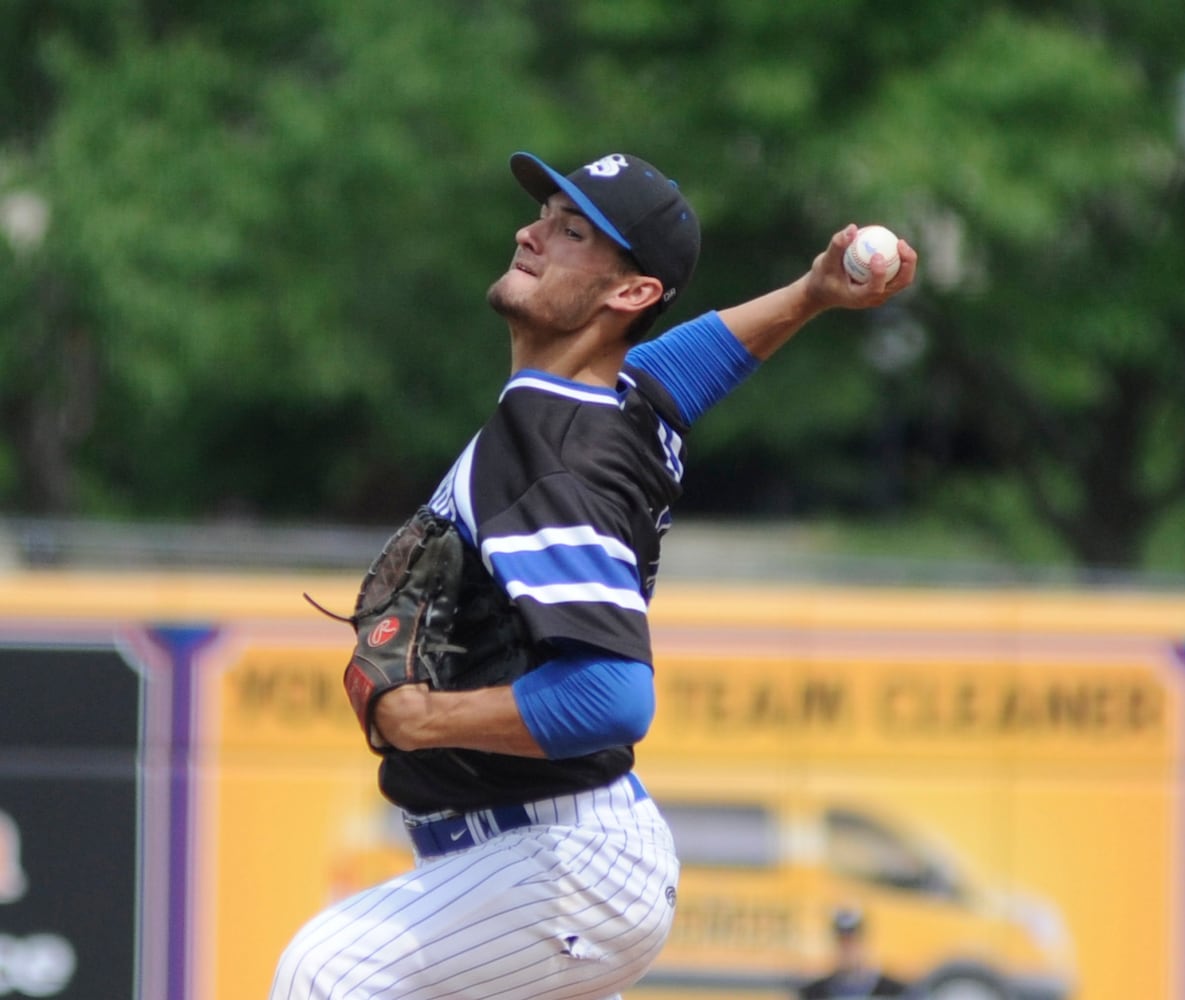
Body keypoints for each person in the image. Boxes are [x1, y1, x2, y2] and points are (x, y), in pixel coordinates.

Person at [269, 150, 917, 1000]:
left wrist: (422, 717)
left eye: (570, 231)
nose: (529, 234)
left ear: (629, 294)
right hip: (554, 865)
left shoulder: (547, 457)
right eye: (544, 215)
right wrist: (809, 296)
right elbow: (687, 363)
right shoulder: (614, 407)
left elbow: (612, 696)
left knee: (325, 972)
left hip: (558, 866)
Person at [799, 907, 909, 999]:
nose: (848, 949)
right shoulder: (814, 993)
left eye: (853, 940)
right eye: (842, 941)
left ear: (865, 941)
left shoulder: (893, 991)